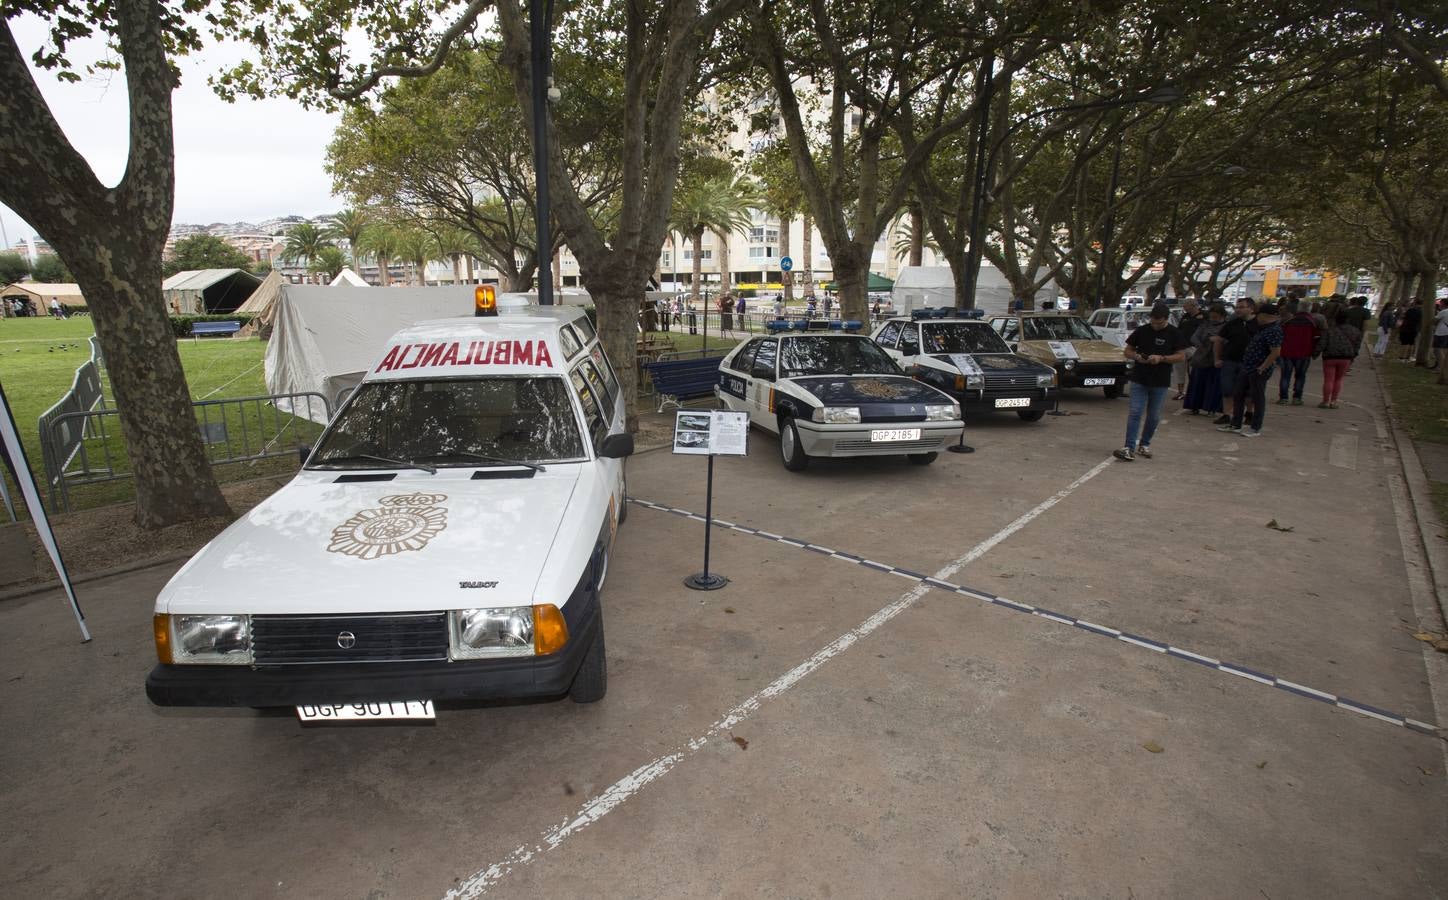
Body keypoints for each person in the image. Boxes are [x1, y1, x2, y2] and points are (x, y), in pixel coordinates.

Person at [1114, 303, 1188, 461]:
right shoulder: (1142, 330)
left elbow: (1181, 356)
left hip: (1160, 380)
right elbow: (1128, 350)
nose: (1155, 326)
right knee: (1135, 412)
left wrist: (1162, 358)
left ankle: (1145, 443)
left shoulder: (1174, 333)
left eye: (1159, 323)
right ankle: (1129, 446)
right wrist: (1137, 357)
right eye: (1153, 322)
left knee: (1153, 415)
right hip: (1140, 377)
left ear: (1166, 320)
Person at [1219, 302, 1283, 437]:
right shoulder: (1262, 328)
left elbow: (1275, 352)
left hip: (1258, 368)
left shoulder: (1274, 330)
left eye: (1258, 315)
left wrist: (1263, 366)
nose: (1257, 318)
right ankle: (1235, 424)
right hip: (1247, 365)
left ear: (1266, 316)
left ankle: (1255, 427)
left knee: (1257, 397)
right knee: (1238, 393)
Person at [1213, 297, 1257, 425]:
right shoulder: (1232, 324)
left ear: (1251, 308)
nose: (1238, 310)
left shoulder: (1258, 324)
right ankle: (1227, 414)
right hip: (1230, 361)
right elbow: (1218, 340)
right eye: (1237, 307)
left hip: (1250, 363)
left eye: (1242, 307)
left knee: (1249, 391)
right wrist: (1217, 358)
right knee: (1227, 389)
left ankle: (1249, 413)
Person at [1183, 303, 1227, 415]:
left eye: (1216, 317)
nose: (1213, 319)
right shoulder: (1204, 324)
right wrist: (1203, 345)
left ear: (1222, 316)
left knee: (1213, 384)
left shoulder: (1226, 327)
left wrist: (1217, 341)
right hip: (1201, 357)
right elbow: (1194, 337)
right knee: (1197, 383)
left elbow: (1228, 340)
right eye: (1211, 316)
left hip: (1216, 358)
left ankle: (1211, 408)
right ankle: (1194, 406)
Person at [1276, 300, 1320, 405]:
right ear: (1310, 308)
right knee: (1300, 376)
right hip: (1304, 352)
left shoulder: (1289, 321)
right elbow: (1316, 337)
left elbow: (1281, 335)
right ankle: (1297, 398)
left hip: (1287, 351)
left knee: (1285, 375)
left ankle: (1283, 397)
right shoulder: (1312, 322)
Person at [1319, 310, 1362, 408]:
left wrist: (1315, 353)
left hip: (1329, 357)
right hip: (1346, 358)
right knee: (1339, 379)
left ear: (1335, 319)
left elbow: (1322, 343)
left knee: (1328, 380)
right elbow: (1357, 345)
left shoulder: (1329, 330)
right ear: (1347, 320)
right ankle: (1334, 401)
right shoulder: (1355, 331)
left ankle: (1325, 401)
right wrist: (1353, 355)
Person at [1173, 298, 1204, 400]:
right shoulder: (1185, 317)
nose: (1184, 308)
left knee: (1193, 371)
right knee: (1179, 370)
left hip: (1194, 347)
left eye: (1186, 306)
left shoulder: (1203, 316)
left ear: (1193, 306)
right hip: (1181, 347)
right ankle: (1180, 392)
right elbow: (1179, 330)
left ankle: (1192, 392)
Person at [1433, 300, 1448, 371]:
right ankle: (1443, 366)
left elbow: (1434, 320)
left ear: (1444, 304)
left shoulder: (1443, 312)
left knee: (1437, 350)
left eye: (1440, 303)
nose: (1439, 305)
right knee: (1444, 350)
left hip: (1441, 333)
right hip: (1446, 332)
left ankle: (1441, 367)